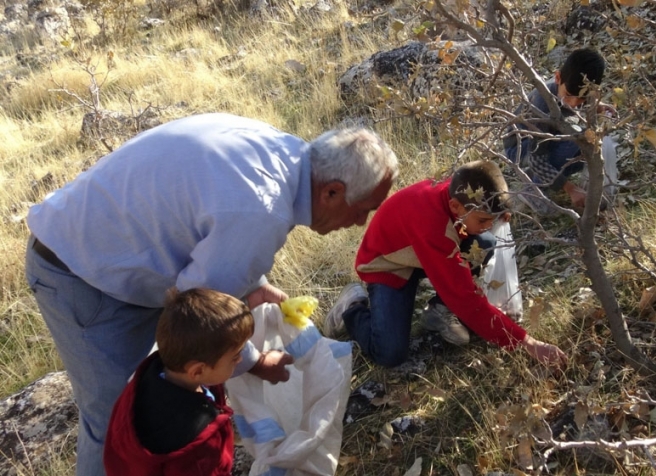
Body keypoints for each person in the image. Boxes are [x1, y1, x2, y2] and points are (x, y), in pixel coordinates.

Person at [23, 112, 399, 476]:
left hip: (107, 251)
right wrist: (252, 360)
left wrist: (250, 284)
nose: (360, 223)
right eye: (363, 210)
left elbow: (213, 222)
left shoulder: (282, 152)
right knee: (117, 424)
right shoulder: (262, 210)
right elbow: (198, 321)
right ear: (332, 191)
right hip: (82, 276)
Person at [325, 160, 567, 367]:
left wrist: (495, 215)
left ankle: (439, 311)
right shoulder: (433, 228)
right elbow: (466, 298)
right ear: (455, 207)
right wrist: (528, 343)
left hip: (417, 251)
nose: (488, 224)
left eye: (490, 219)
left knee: (485, 243)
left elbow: (479, 202)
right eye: (483, 219)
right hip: (386, 265)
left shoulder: (462, 192)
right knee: (389, 354)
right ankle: (353, 305)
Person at [103, 288, 253, 476]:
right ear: (197, 370)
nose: (239, 360)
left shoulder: (145, 381)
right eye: (235, 357)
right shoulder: (198, 442)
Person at [503, 48, 615, 210]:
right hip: (521, 148)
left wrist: (600, 107)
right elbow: (537, 159)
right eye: (568, 95)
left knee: (590, 143)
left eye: (582, 98)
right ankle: (532, 190)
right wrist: (570, 189)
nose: (574, 103)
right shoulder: (542, 104)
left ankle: (544, 179)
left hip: (548, 141)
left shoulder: (580, 91)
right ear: (557, 78)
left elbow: (583, 102)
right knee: (577, 137)